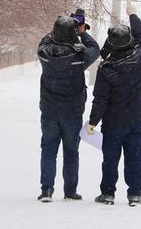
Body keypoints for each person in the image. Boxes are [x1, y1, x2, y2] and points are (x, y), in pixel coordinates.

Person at [87, 0, 141, 206]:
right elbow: (140, 36)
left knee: (110, 159)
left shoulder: (106, 70)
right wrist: (133, 15)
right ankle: (134, 194)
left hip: (113, 122)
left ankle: (108, 193)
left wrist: (93, 121)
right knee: (134, 157)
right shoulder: (139, 58)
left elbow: (101, 99)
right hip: (136, 119)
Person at [37, 12, 100, 202]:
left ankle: (47, 190)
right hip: (72, 112)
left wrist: (60, 27)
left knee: (48, 150)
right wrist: (82, 32)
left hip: (49, 110)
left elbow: (46, 39)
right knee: (71, 152)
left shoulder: (44, 53)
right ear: (73, 33)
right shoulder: (80, 57)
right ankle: (70, 191)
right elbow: (95, 49)